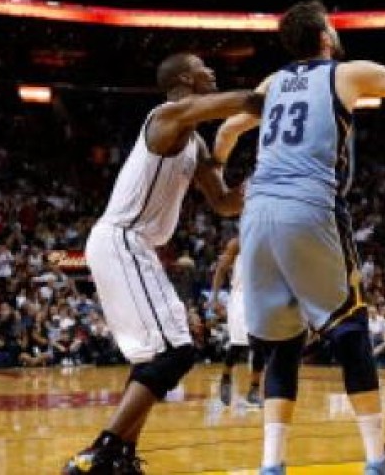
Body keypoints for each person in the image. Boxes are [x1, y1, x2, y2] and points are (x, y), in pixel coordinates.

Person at [234, 0, 385, 475]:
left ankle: (272, 464)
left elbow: (230, 128)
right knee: (351, 327)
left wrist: (221, 179)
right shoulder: (346, 73)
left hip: (256, 212)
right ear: (326, 37)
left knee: (283, 343)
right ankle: (375, 458)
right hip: (308, 207)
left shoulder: (270, 83)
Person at [62, 53, 261, 475]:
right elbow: (241, 101)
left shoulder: (194, 140)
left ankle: (120, 455)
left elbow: (224, 203)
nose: (212, 71)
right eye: (205, 67)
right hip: (122, 239)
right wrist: (287, 94)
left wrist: (257, 183)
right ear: (187, 78)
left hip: (137, 247)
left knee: (155, 357)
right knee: (176, 352)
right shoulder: (169, 115)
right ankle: (101, 452)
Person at [211, 235, 264, 409]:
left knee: (259, 346)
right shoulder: (237, 243)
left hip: (261, 297)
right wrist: (214, 297)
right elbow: (221, 269)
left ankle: (254, 390)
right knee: (239, 344)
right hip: (240, 297)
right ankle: (226, 378)